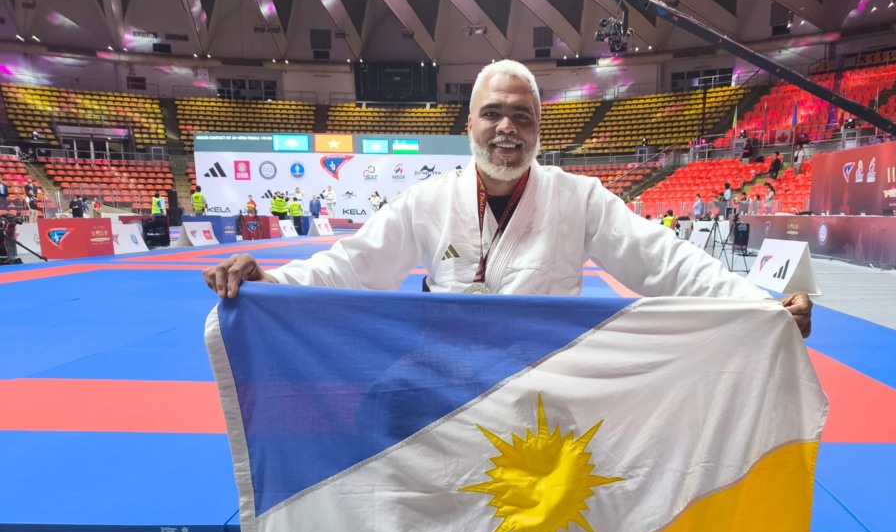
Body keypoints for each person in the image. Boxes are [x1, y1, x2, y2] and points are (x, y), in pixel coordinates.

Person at [204, 60, 811, 337]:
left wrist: (758, 304)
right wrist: (272, 284)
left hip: (549, 375)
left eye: (522, 116)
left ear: (539, 131)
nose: (506, 129)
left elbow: (662, 261)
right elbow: (355, 262)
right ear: (468, 125)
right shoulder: (427, 200)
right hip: (448, 375)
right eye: (492, 114)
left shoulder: (581, 198)